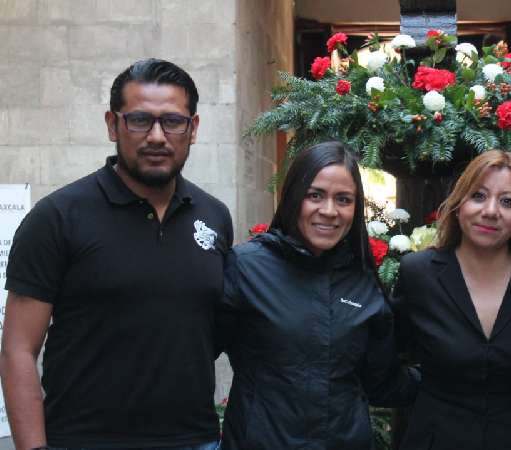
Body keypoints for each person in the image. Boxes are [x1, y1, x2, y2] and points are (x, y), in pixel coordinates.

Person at [0, 59, 232, 450]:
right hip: (83, 441)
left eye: (172, 122)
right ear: (112, 125)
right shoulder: (58, 217)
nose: (157, 136)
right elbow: (18, 349)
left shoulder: (214, 216)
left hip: (195, 440)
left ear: (192, 129)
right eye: (140, 120)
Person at [219, 141, 418, 450]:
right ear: (293, 198)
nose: (329, 211)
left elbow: (381, 382)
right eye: (315, 195)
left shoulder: (362, 281)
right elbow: (193, 350)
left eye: (343, 199)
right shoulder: (246, 267)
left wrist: (458, 375)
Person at [390, 150, 511, 450]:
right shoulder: (418, 275)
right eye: (478, 196)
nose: (491, 211)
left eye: (507, 201)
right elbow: (390, 360)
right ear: (459, 204)